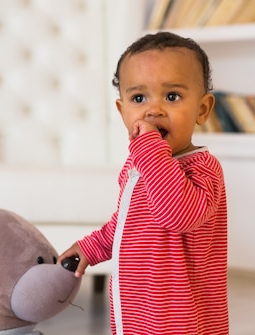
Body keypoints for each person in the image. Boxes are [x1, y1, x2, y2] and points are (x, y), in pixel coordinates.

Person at [59, 31, 228, 335]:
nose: (154, 109)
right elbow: (126, 224)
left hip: (179, 318)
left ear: (202, 109)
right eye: (139, 98)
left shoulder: (203, 169)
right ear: (123, 111)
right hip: (137, 307)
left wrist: (149, 148)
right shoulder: (137, 164)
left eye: (172, 96)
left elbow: (176, 215)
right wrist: (91, 247)